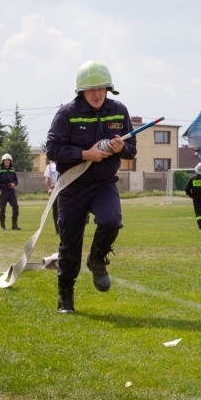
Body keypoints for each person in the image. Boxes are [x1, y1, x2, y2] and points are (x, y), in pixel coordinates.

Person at [46, 60, 136, 314]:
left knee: (110, 221)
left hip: (104, 184)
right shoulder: (67, 113)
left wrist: (122, 148)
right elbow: (52, 150)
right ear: (81, 91)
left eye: (101, 88)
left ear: (108, 89)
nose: (97, 93)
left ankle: (97, 259)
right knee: (69, 243)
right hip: (73, 186)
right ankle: (66, 295)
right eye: (91, 89)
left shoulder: (119, 110)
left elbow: (132, 149)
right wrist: (86, 153)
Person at [0, 153, 21, 231]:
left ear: (10, 161)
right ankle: (2, 225)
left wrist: (13, 184)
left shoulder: (13, 169)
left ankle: (14, 224)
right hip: (3, 191)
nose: (7, 162)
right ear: (3, 161)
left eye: (8, 160)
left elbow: (16, 180)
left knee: (15, 207)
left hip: (11, 191)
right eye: (5, 160)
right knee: (2, 209)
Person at [184, 162, 201, 231]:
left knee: (198, 213)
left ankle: (200, 227)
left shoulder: (193, 178)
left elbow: (186, 188)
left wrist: (190, 195)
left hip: (196, 198)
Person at [44, 158, 60, 235]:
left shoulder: (67, 164)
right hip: (55, 189)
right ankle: (58, 230)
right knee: (56, 210)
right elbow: (47, 178)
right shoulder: (51, 166)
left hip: (65, 188)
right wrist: (49, 189)